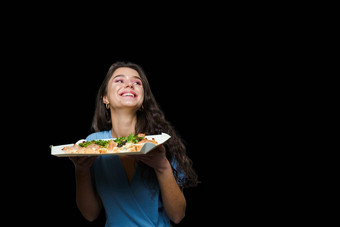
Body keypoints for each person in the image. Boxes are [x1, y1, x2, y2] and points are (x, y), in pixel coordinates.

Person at [69, 61, 199, 226]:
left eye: (137, 82)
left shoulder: (158, 143)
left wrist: (162, 166)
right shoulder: (93, 144)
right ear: (105, 98)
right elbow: (90, 214)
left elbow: (177, 215)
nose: (129, 84)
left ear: (143, 100)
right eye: (119, 80)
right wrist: (81, 171)